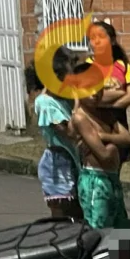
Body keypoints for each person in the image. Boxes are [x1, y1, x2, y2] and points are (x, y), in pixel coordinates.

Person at [70, 63, 130, 230]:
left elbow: (129, 138)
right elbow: (104, 154)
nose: (95, 93)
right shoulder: (80, 118)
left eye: (98, 87)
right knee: (99, 231)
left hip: (112, 178)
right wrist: (115, 143)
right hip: (96, 181)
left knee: (120, 227)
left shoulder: (104, 113)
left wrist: (103, 136)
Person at [24, 54, 84, 219]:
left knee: (79, 214)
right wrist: (78, 101)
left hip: (73, 160)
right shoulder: (45, 103)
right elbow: (70, 132)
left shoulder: (63, 100)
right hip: (59, 165)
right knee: (63, 215)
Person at [87, 19, 130, 167]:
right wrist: (121, 92)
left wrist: (108, 104)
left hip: (118, 123)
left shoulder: (123, 66)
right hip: (95, 122)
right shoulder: (86, 67)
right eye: (92, 38)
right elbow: (93, 98)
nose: (96, 41)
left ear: (113, 41)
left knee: (117, 166)